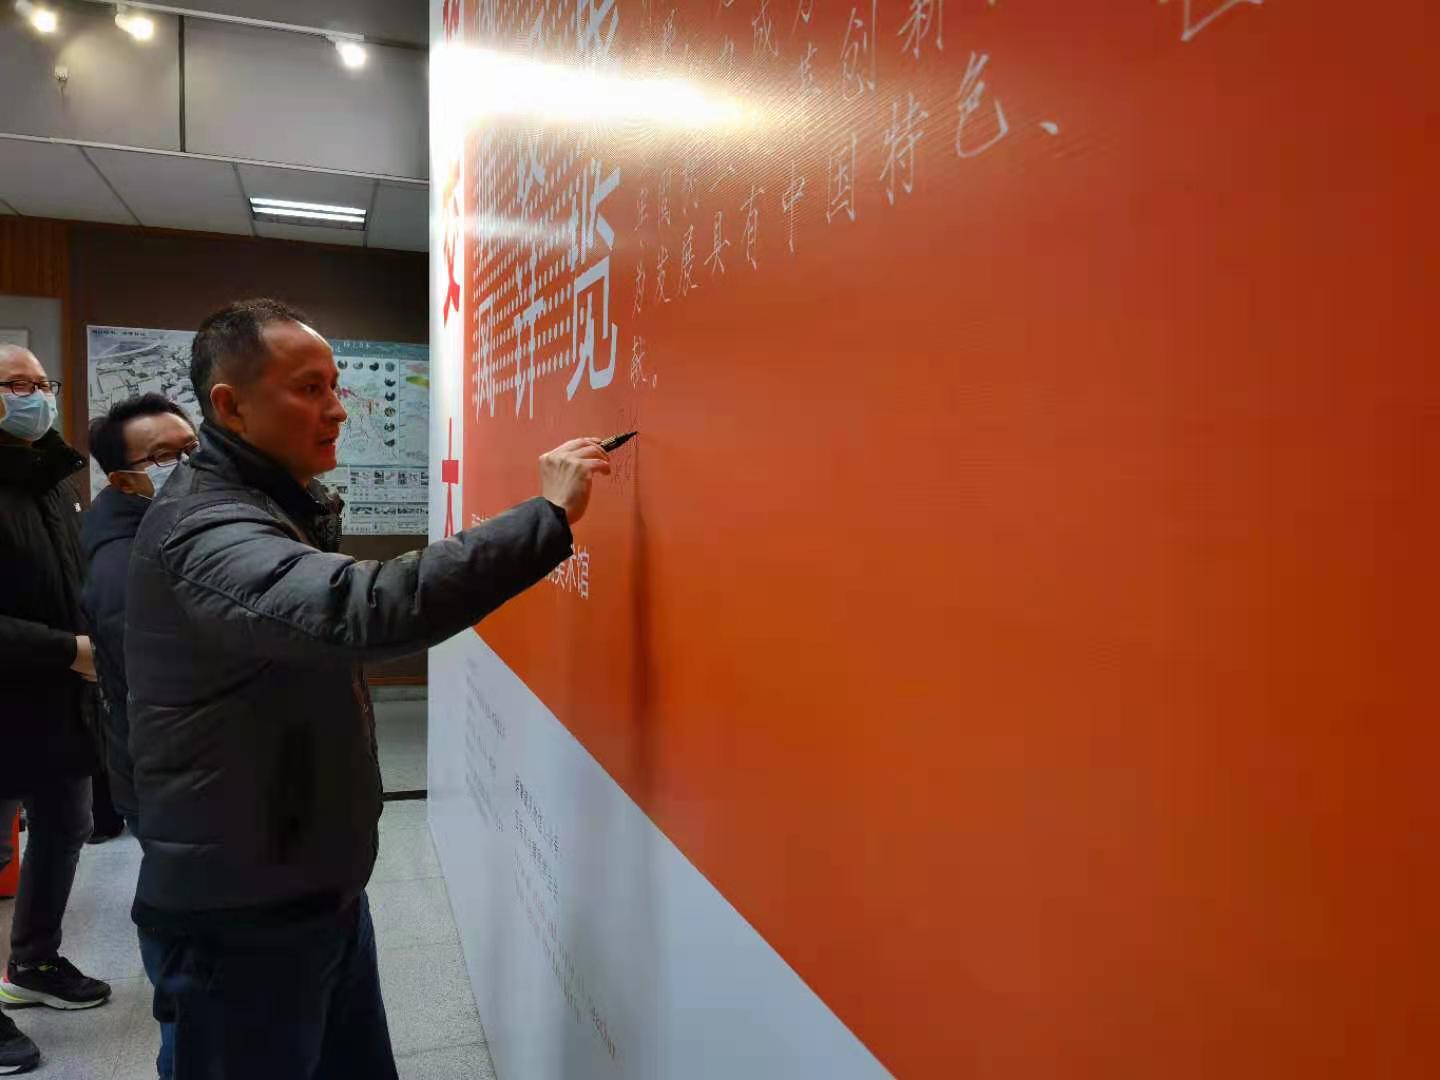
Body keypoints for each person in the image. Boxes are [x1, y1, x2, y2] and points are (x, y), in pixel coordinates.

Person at [126, 299, 610, 1080]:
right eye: (308, 389)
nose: (337, 409)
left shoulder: (266, 504)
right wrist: (545, 518)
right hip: (240, 920)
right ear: (231, 406)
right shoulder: (204, 529)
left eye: (335, 385)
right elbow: (358, 609)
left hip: (308, 889)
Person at [0, 345, 113, 1076]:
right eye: (17, 383)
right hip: (17, 692)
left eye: (43, 383)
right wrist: (65, 649)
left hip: (62, 700)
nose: (36, 395)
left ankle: (33, 963)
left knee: (66, 827)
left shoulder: (55, 478)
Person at [80, 394, 197, 1080]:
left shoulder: (162, 526)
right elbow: (164, 686)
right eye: (163, 457)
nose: (186, 463)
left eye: (191, 447)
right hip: (172, 779)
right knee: (189, 951)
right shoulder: (126, 563)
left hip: (170, 775)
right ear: (125, 478)